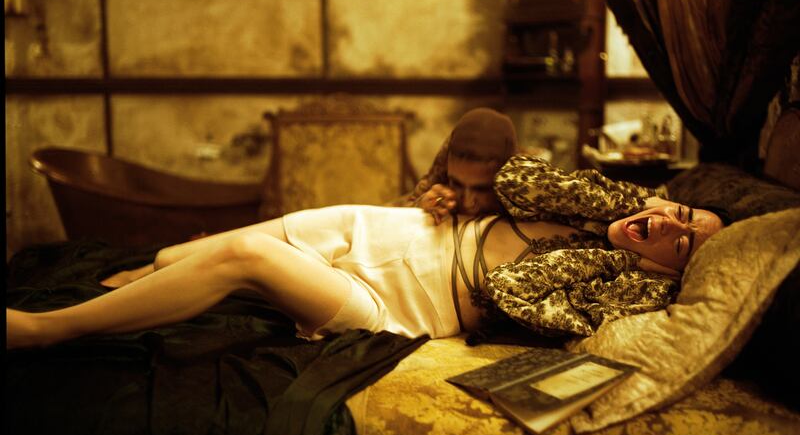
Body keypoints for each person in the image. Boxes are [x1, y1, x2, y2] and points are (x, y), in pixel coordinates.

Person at [6, 154, 724, 350]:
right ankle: (118, 295)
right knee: (165, 261)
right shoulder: (606, 208)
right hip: (380, 230)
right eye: (682, 213)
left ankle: (44, 331)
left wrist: (627, 256)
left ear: (675, 270)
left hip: (396, 305)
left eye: (684, 242)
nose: (671, 225)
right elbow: (515, 175)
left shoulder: (621, 293)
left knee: (242, 258)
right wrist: (628, 206)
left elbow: (515, 293)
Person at [397, 107, 518, 224]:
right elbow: (400, 213)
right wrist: (419, 208)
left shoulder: (518, 180)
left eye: (482, 189)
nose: (467, 203)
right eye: (456, 184)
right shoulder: (443, 167)